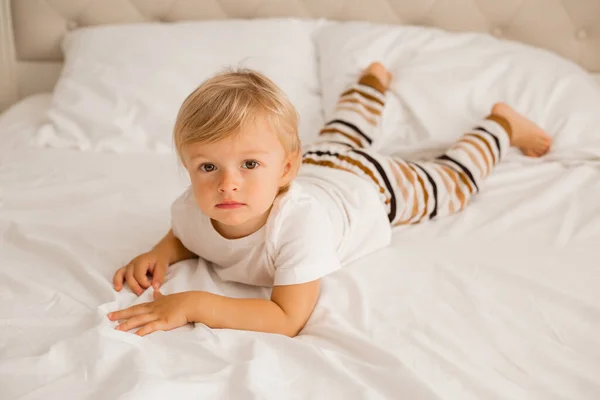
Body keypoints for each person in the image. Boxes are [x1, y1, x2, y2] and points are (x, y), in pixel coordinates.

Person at [107, 62, 551, 337]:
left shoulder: (300, 225)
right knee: (340, 136)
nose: (228, 185)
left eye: (248, 165)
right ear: (187, 168)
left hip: (371, 187)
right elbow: (186, 234)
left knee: (451, 185)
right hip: (319, 162)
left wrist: (193, 304)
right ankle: (371, 82)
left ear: (284, 170)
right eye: (208, 167)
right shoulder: (191, 206)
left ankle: (501, 125)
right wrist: (160, 252)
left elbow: (286, 317)